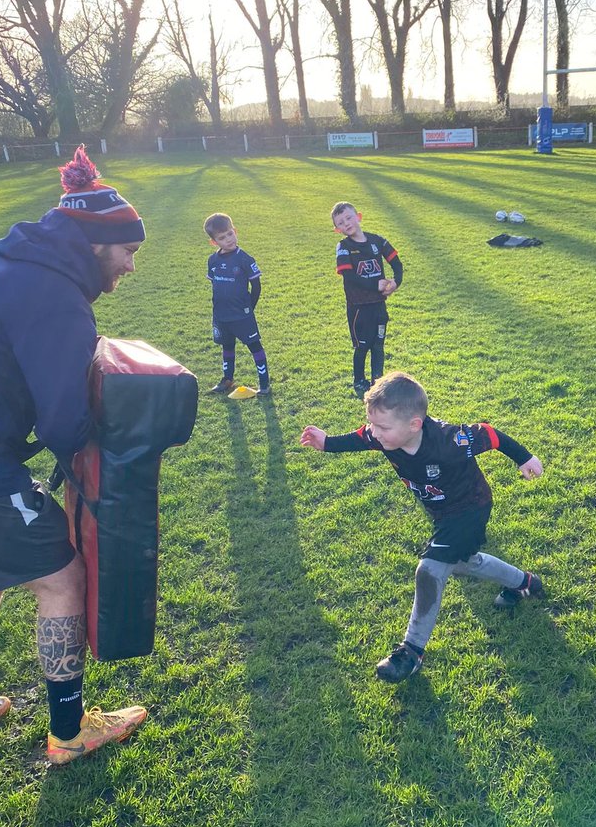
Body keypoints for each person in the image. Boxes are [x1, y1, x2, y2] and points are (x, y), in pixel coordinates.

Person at [0, 146, 148, 763]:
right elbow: (64, 423)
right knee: (61, 575)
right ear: (97, 243)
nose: (131, 266)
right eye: (129, 252)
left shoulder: (5, 262)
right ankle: (70, 732)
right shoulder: (54, 294)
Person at [301, 371, 544, 683]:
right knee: (464, 562)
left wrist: (524, 458)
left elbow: (490, 434)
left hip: (471, 508)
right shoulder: (383, 435)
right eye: (373, 424)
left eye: (382, 427)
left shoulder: (447, 441)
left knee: (429, 569)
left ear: (414, 424)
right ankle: (523, 582)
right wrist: (327, 443)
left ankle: (412, 651)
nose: (374, 433)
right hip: (442, 512)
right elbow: (359, 437)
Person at [332, 202, 403, 398]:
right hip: (358, 308)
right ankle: (359, 380)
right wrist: (375, 285)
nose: (346, 223)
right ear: (337, 229)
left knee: (378, 344)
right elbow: (349, 276)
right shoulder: (344, 246)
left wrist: (396, 282)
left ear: (359, 217)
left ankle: (377, 381)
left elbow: (397, 263)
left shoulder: (377, 241)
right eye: (341, 222)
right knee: (362, 345)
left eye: (348, 218)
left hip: (378, 306)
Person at [204, 213, 270, 396]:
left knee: (255, 346)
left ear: (235, 231)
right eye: (222, 238)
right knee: (227, 346)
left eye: (230, 234)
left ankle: (264, 384)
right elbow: (216, 286)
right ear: (214, 242)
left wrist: (250, 308)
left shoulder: (245, 259)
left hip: (242, 314)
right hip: (221, 315)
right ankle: (227, 379)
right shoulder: (213, 261)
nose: (228, 240)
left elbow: (256, 286)